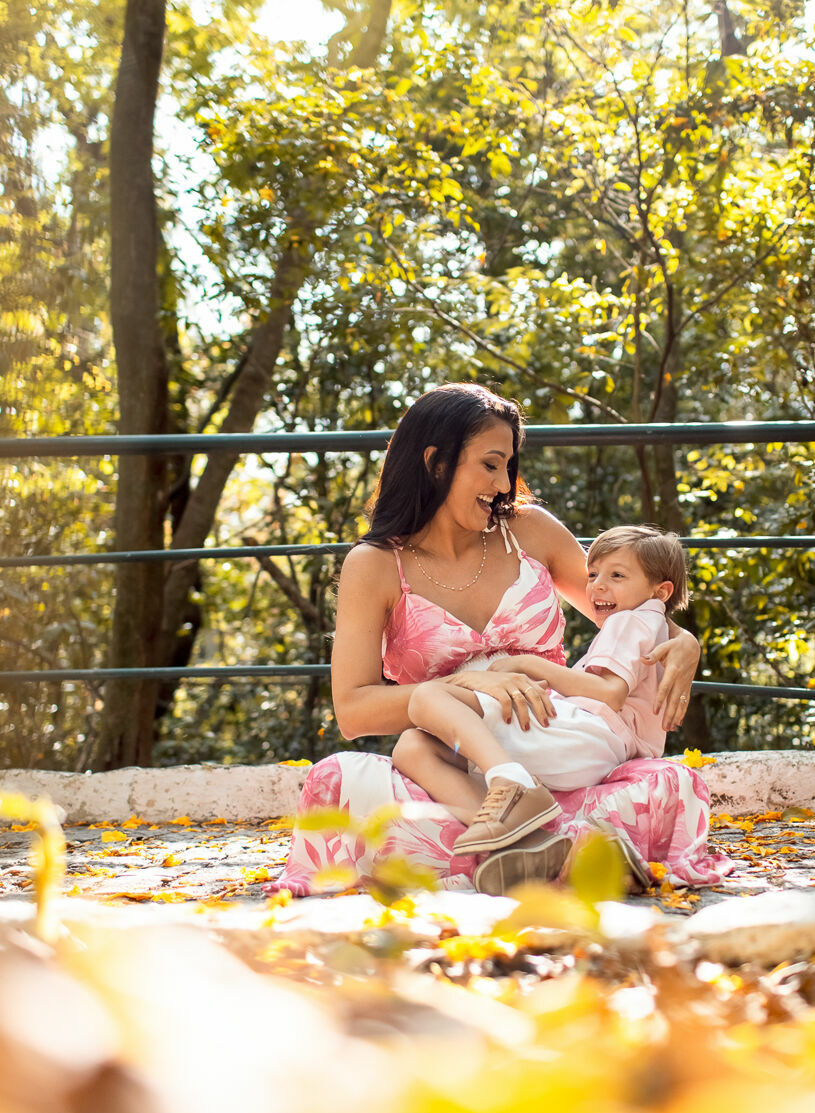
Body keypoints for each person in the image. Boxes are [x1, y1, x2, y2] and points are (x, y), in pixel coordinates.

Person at [272, 382, 732, 897]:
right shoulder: (375, 565)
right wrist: (467, 686)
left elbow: (629, 608)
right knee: (337, 779)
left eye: (508, 466)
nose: (504, 482)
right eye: (490, 464)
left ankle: (518, 853)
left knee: (668, 782)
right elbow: (353, 711)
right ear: (436, 462)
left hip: (558, 747)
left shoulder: (530, 531)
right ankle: (551, 847)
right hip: (460, 772)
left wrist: (684, 640)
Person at [392, 526, 689, 875]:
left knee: (426, 696)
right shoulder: (648, 625)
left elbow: (610, 693)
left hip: (589, 737)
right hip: (590, 746)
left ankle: (511, 782)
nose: (597, 586)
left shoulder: (630, 621)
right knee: (412, 747)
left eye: (617, 576)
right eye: (593, 575)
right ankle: (526, 844)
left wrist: (527, 665)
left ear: (660, 591)